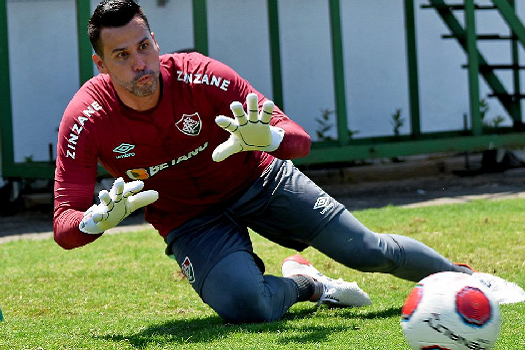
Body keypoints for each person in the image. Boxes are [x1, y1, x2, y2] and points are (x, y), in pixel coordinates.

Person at [53, 0, 524, 323]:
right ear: (101, 64)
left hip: (259, 179)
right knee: (246, 306)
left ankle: (468, 281)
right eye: (122, 55)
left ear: (154, 40)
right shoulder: (85, 117)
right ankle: (306, 284)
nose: (141, 64)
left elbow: (299, 140)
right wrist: (94, 221)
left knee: (367, 250)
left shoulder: (202, 75)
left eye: (145, 47)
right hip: (187, 219)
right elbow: (64, 225)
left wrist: (271, 136)